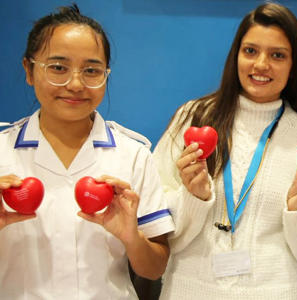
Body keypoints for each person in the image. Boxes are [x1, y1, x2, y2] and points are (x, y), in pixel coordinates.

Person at [153, 3, 297, 299]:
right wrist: (193, 197)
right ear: (235, 55)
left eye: (277, 55)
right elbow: (157, 227)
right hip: (190, 290)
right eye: (250, 51)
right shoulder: (193, 117)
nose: (261, 64)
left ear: (293, 64)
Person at [0, 5, 174, 299]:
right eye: (58, 68)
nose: (76, 84)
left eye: (92, 70)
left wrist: (132, 237)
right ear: (29, 70)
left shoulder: (133, 153)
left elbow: (154, 269)